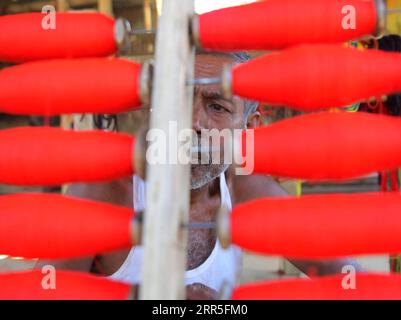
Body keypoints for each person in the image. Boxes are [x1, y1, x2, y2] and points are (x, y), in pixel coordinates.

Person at [35, 52, 362, 299]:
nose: (191, 123)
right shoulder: (103, 191)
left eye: (217, 107)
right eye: (178, 98)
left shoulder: (245, 190)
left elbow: (351, 278)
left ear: (249, 129)